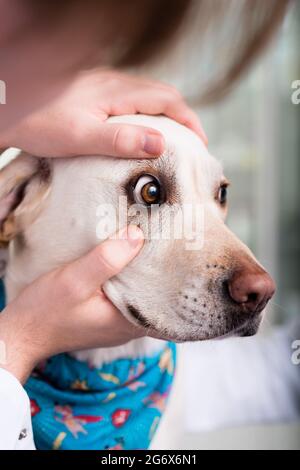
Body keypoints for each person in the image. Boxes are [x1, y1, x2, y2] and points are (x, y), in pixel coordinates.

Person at [0, 0, 289, 449]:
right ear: (18, 203)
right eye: (150, 193)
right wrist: (21, 340)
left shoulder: (171, 381)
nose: (252, 280)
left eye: (219, 195)